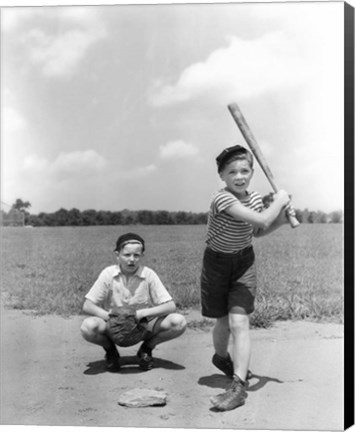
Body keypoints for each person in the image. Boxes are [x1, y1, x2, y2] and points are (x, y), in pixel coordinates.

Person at [200, 144, 296, 411]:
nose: (239, 176)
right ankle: (221, 358)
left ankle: (238, 387)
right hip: (216, 264)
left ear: (252, 172)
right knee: (223, 323)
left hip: (243, 262)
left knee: (240, 322)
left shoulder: (253, 199)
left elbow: (258, 231)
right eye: (232, 172)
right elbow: (264, 220)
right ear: (222, 175)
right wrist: (279, 202)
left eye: (244, 170)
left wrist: (283, 221)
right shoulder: (222, 199)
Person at [80, 232, 187, 372]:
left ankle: (146, 348)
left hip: (142, 324)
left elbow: (170, 306)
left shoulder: (148, 274)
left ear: (142, 255)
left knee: (178, 322)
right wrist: (111, 318)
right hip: (113, 326)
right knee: (88, 327)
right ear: (117, 254)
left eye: (136, 255)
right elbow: (87, 305)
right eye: (126, 255)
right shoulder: (108, 274)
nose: (132, 260)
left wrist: (142, 313)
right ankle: (111, 351)